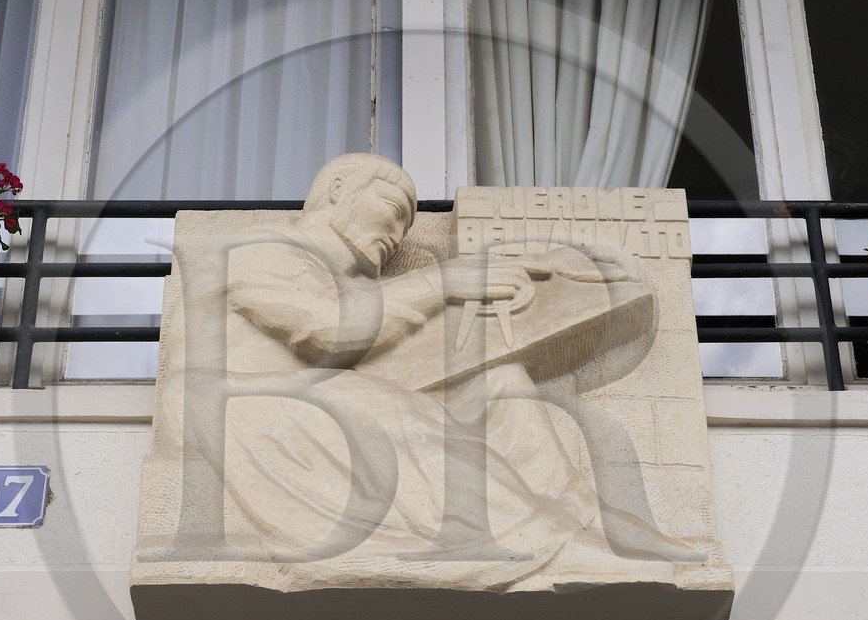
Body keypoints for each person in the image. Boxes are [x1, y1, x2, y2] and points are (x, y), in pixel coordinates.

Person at [174, 153, 694, 588]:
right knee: (395, 412)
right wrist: (444, 282)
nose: (398, 234)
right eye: (394, 210)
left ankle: (584, 528)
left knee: (501, 384)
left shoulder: (346, 277)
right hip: (260, 415)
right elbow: (329, 333)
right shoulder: (262, 248)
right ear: (336, 189)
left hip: (319, 396)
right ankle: (537, 545)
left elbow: (388, 345)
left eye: (406, 224)